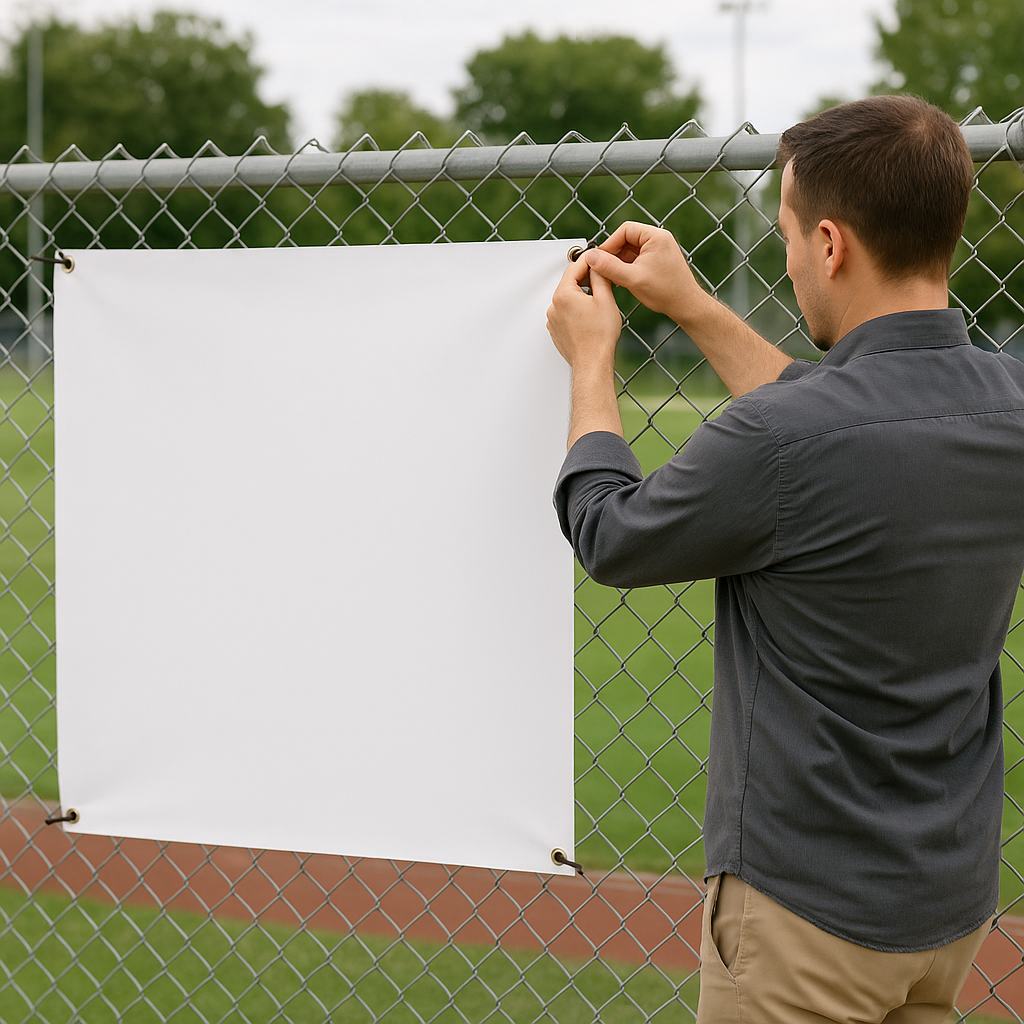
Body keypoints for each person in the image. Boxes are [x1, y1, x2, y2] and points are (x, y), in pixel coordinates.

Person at [545, 94, 1024, 1023]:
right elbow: (845, 418)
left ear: (833, 244)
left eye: (793, 235)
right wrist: (691, 307)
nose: (792, 257)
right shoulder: (1006, 403)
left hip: (803, 918)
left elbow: (609, 532)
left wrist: (591, 362)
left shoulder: (787, 437)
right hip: (948, 907)